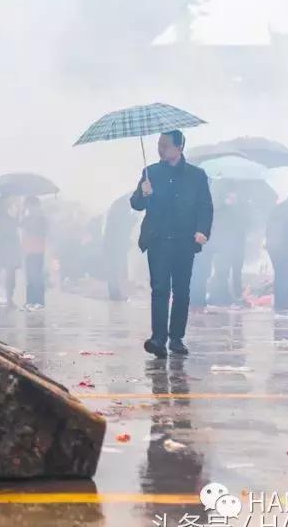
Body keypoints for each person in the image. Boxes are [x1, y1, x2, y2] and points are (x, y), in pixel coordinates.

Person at [130, 130, 213, 359]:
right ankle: (158, 338)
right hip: (158, 240)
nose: (160, 149)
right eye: (159, 145)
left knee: (181, 291)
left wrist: (202, 231)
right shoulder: (151, 172)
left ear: (179, 147)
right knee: (159, 289)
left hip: (185, 241)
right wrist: (143, 194)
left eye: (165, 145)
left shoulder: (196, 175)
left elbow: (205, 206)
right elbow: (136, 204)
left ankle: (176, 338)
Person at [208, 188, 247, 306]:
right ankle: (220, 296)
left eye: (234, 198)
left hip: (236, 247)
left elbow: (241, 230)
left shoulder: (239, 212)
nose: (232, 200)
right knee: (222, 272)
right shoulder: (219, 211)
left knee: (236, 272)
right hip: (224, 247)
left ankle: (236, 295)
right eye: (230, 198)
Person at [103, 194, 137, 301]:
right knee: (115, 269)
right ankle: (115, 294)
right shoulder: (121, 208)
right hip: (115, 245)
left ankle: (115, 293)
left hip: (113, 244)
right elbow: (122, 227)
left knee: (114, 269)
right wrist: (133, 219)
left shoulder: (118, 207)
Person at [21, 196, 48, 307]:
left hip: (38, 250)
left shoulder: (42, 219)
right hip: (29, 250)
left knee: (36, 277)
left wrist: (31, 227)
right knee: (30, 277)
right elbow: (21, 225)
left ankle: (39, 301)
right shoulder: (27, 218)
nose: (29, 208)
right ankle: (30, 301)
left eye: (30, 205)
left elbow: (42, 232)